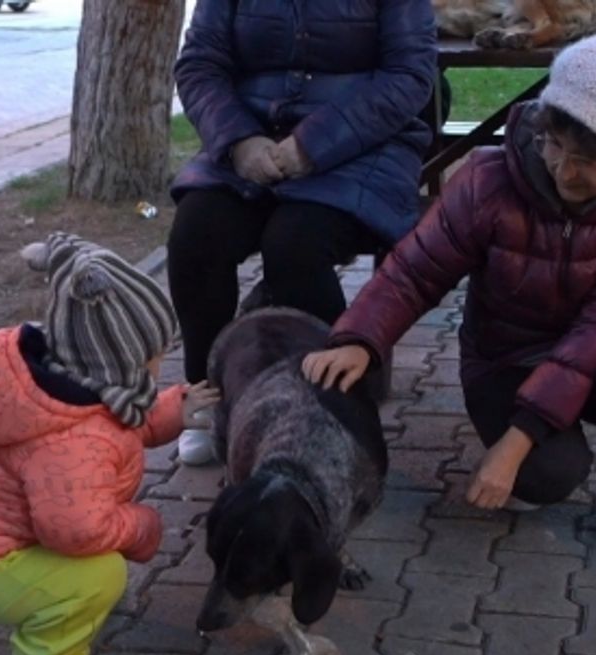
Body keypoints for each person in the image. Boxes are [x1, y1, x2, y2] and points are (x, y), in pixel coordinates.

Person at [303, 34, 596, 581]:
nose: (562, 169)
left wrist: (513, 443)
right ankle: (549, 448)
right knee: (548, 478)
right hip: (506, 353)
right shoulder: (488, 179)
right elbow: (417, 268)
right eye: (554, 144)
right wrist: (360, 337)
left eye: (587, 162)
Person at [0, 232, 219, 655]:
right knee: (100, 572)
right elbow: (77, 529)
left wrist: (176, 409)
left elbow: (124, 422)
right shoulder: (72, 443)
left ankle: (58, 603)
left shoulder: (72, 380)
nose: (159, 363)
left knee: (93, 559)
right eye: (155, 354)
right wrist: (141, 528)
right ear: (123, 359)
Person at [165, 0, 438, 465]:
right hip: (250, 142)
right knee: (195, 235)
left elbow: (410, 76)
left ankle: (337, 408)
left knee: (295, 245)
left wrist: (312, 146)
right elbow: (200, 64)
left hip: (361, 148)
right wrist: (237, 141)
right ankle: (207, 398)